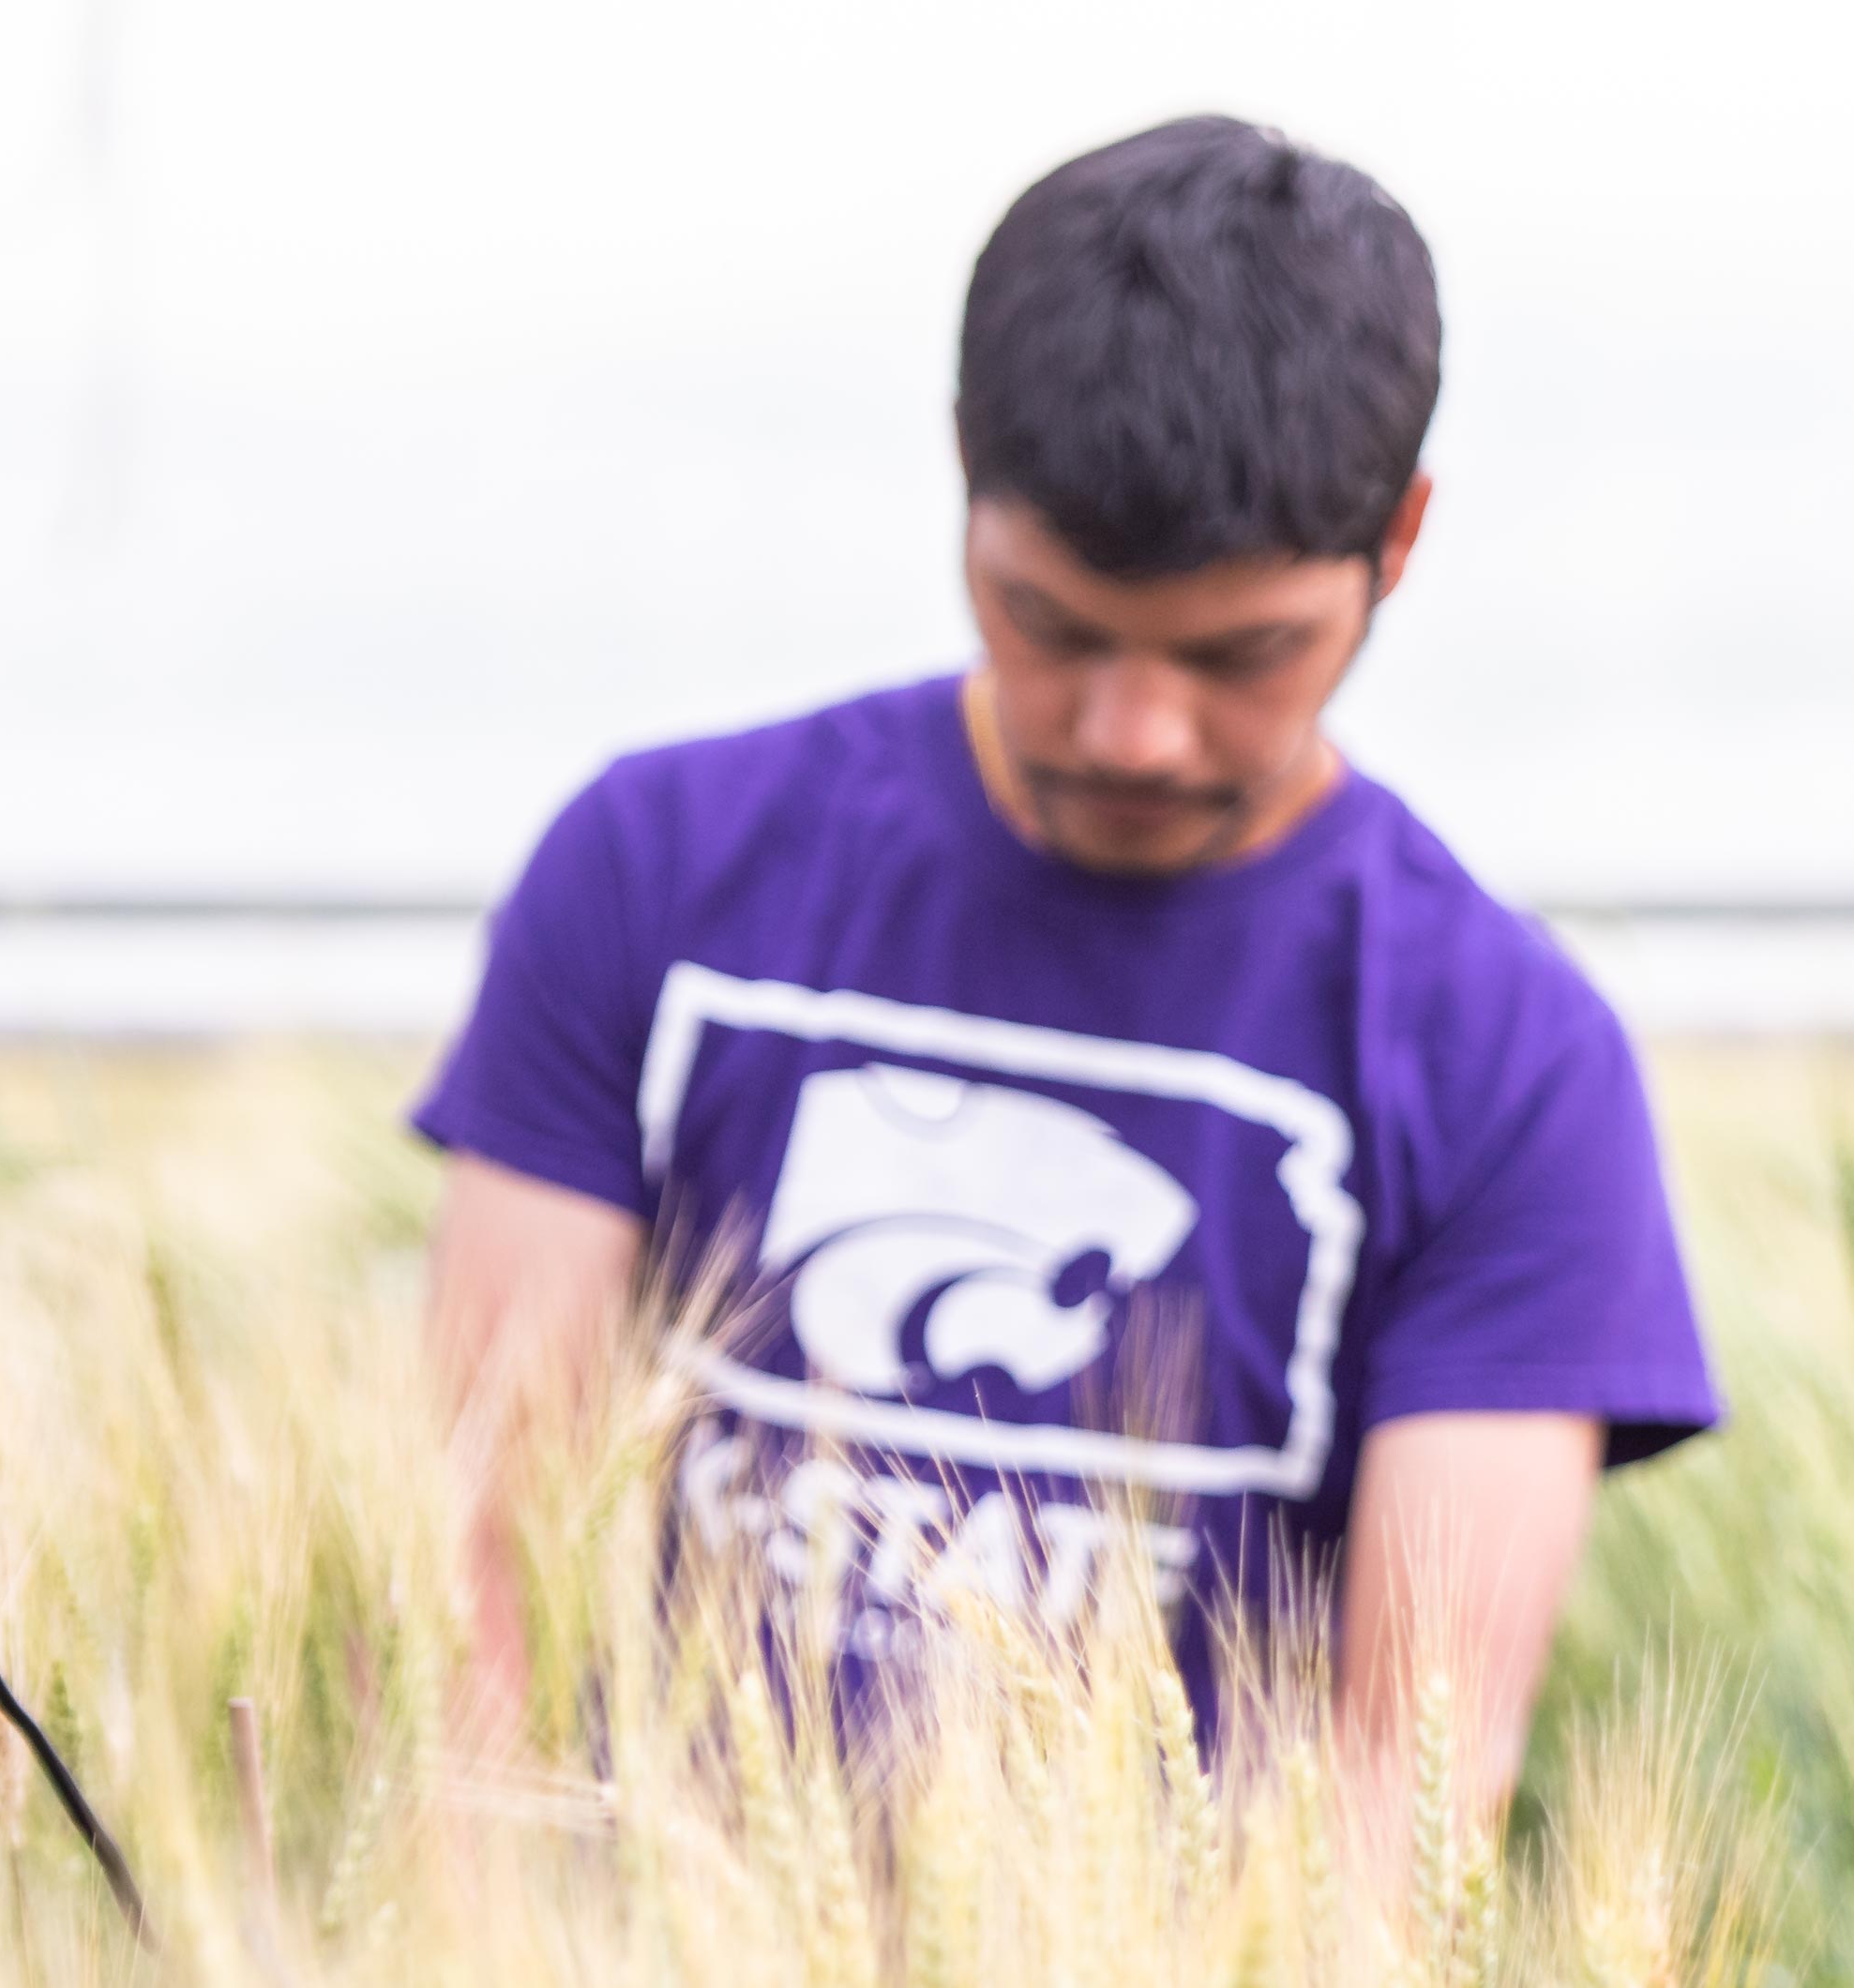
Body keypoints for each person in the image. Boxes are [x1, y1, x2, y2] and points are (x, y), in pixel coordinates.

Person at [415, 116, 1715, 1823]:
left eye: (1241, 655)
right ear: (967, 477)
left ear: (1398, 542)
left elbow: (1412, 1782)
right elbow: (472, 1599)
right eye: (1053, 623)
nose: (1133, 731)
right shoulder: (654, 871)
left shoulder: (1507, 1059)